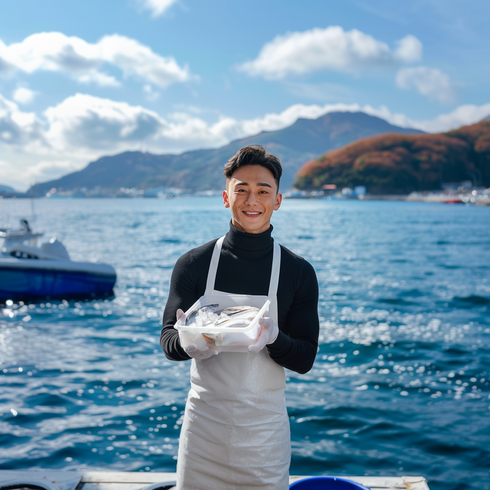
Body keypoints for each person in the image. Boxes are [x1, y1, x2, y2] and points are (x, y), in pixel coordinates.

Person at [161, 145, 319, 490]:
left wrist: (275, 339)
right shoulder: (193, 263)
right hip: (204, 426)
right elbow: (168, 342)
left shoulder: (298, 272)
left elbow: (306, 357)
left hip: (264, 433)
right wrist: (192, 343)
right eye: (241, 190)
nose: (252, 200)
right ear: (225, 196)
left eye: (263, 191)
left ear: (277, 200)